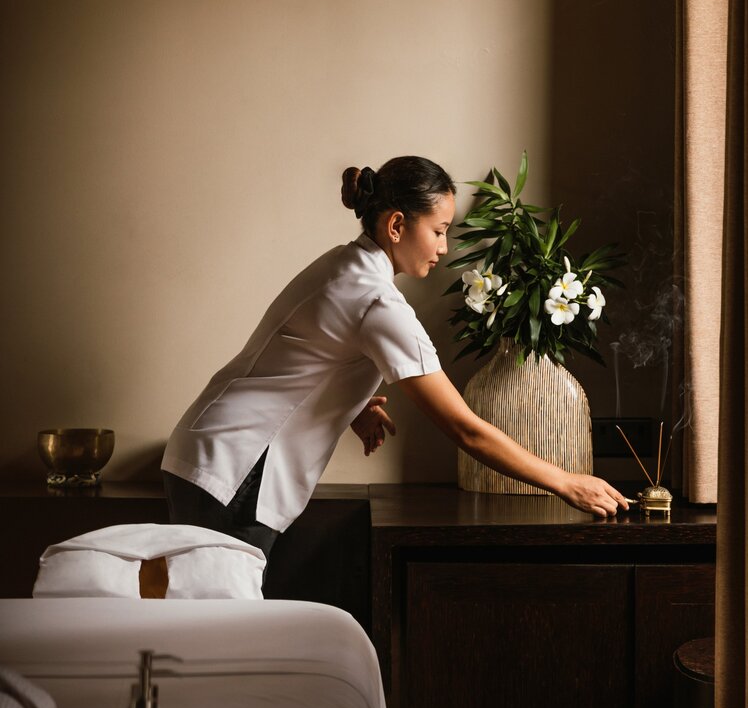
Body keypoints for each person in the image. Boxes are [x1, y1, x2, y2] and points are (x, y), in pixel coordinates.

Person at [161, 155, 629, 556]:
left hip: (212, 450)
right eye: (439, 231)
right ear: (397, 224)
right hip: (239, 468)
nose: (444, 249)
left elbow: (301, 353)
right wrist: (567, 482)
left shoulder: (342, 264)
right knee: (219, 630)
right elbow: (465, 428)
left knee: (209, 624)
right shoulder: (377, 302)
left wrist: (353, 404)